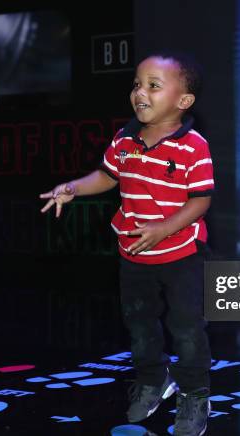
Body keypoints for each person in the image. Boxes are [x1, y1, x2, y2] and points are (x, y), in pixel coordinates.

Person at [40, 52, 213, 436]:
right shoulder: (124, 138)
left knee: (186, 327)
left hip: (182, 254)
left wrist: (164, 228)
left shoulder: (193, 145)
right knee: (139, 326)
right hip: (134, 254)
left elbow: (201, 200)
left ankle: (195, 393)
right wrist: (73, 187)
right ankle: (154, 380)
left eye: (154, 85)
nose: (140, 92)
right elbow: (106, 176)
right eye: (137, 84)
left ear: (183, 101)